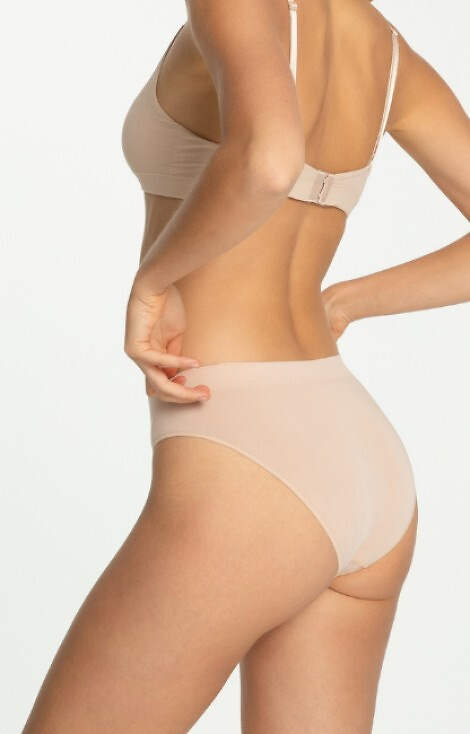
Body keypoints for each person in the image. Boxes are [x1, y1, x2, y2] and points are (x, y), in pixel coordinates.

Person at [22, 0, 469, 732]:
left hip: (246, 457)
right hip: (363, 458)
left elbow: (268, 158)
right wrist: (349, 301)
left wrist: (154, 281)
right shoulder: (385, 49)